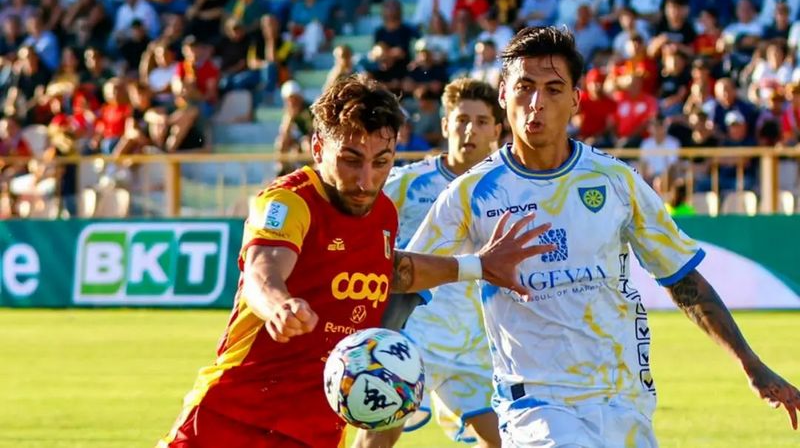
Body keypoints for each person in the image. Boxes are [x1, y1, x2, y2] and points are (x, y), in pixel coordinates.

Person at [402, 26, 800, 447]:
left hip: (623, 401)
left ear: (576, 99)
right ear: (503, 95)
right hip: (535, 405)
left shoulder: (614, 180)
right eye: (525, 87)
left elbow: (682, 277)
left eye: (553, 89)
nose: (536, 103)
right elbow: (405, 273)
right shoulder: (471, 192)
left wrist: (751, 363)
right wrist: (477, 267)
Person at [156, 74, 555, 448]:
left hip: (317, 431)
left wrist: (478, 266)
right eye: (351, 159)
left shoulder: (382, 213)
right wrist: (279, 305)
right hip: (231, 417)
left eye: (381, 162)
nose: (366, 180)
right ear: (318, 148)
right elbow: (264, 270)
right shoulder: (290, 201)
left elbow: (392, 271)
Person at [354, 78, 504, 448]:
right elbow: (358, 226)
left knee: (506, 440)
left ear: (497, 131)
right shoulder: (407, 183)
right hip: (412, 337)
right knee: (378, 436)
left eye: (482, 121)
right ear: (445, 125)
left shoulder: (509, 190)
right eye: (461, 120)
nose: (470, 130)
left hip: (475, 346)